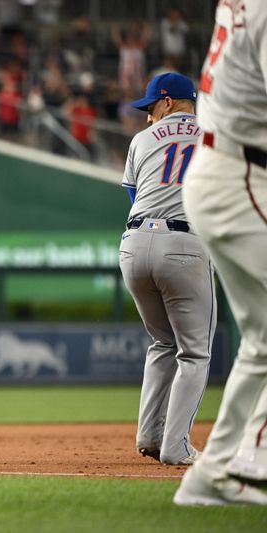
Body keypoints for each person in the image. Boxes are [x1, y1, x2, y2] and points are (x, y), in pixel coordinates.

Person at [173, 1, 267, 506]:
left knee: (261, 340)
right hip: (244, 176)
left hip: (224, 172)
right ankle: (253, 462)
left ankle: (213, 475)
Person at [119, 72, 213, 466]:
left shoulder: (142, 140)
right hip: (184, 243)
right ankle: (176, 445)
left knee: (162, 343)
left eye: (151, 106)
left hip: (133, 245)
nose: (147, 116)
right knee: (194, 353)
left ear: (169, 102)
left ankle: (149, 436)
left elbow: (133, 193)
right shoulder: (214, 135)